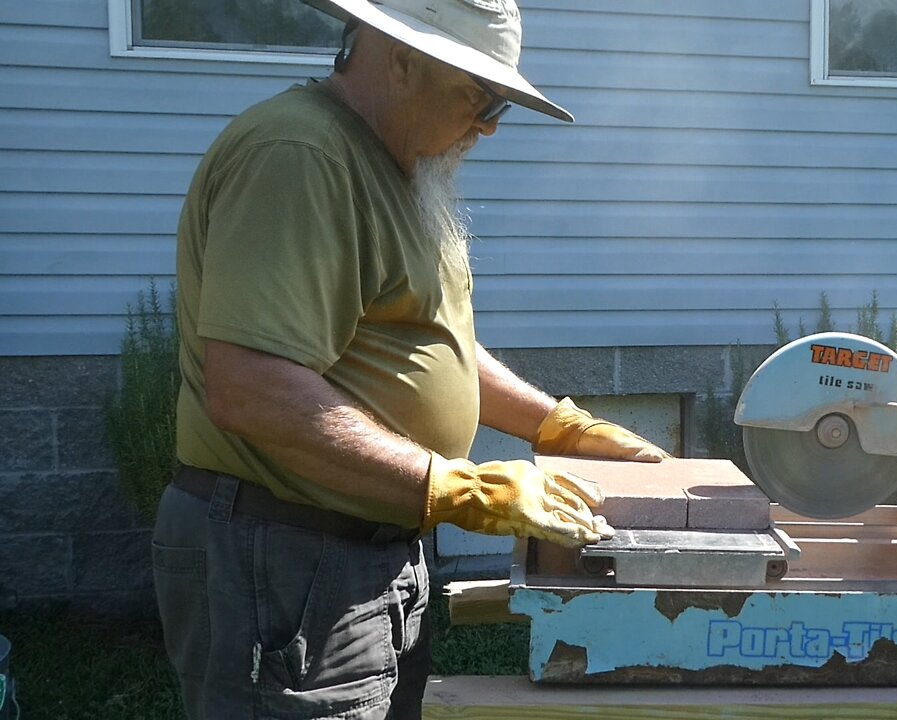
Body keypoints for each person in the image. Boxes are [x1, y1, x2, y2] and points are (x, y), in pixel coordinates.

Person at [150, 0, 670, 717]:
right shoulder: (300, 156)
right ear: (401, 60)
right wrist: (455, 487)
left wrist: (557, 426)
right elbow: (251, 387)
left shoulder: (397, 167)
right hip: (285, 556)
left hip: (355, 552)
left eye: (501, 107)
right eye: (479, 97)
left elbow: (431, 343)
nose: (488, 125)